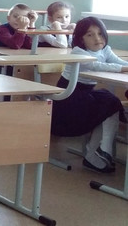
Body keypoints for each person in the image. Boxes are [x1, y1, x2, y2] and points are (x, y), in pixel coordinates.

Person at [52, 17, 126, 174]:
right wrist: (122, 69)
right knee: (107, 104)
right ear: (81, 39)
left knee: (111, 102)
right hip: (69, 97)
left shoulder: (105, 49)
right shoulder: (78, 52)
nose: (97, 38)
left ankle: (102, 150)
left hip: (86, 95)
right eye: (90, 35)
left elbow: (120, 62)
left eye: (100, 33)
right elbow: (96, 65)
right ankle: (96, 152)